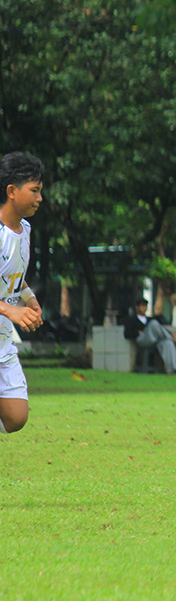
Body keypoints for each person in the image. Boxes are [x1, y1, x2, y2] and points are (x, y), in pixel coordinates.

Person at [0, 152, 44, 435]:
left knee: (16, 416)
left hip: (2, 336)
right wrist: (10, 309)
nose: (40, 198)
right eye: (35, 190)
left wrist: (29, 299)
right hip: (5, 318)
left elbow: (13, 277)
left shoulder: (24, 230)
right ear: (12, 191)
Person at [123, 298, 176, 374]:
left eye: (145, 306)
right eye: (142, 306)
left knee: (168, 343)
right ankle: (173, 338)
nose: (144, 308)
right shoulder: (132, 319)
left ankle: (172, 369)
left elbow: (160, 328)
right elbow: (127, 334)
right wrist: (137, 332)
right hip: (142, 339)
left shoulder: (149, 319)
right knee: (154, 323)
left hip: (153, 339)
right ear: (137, 307)